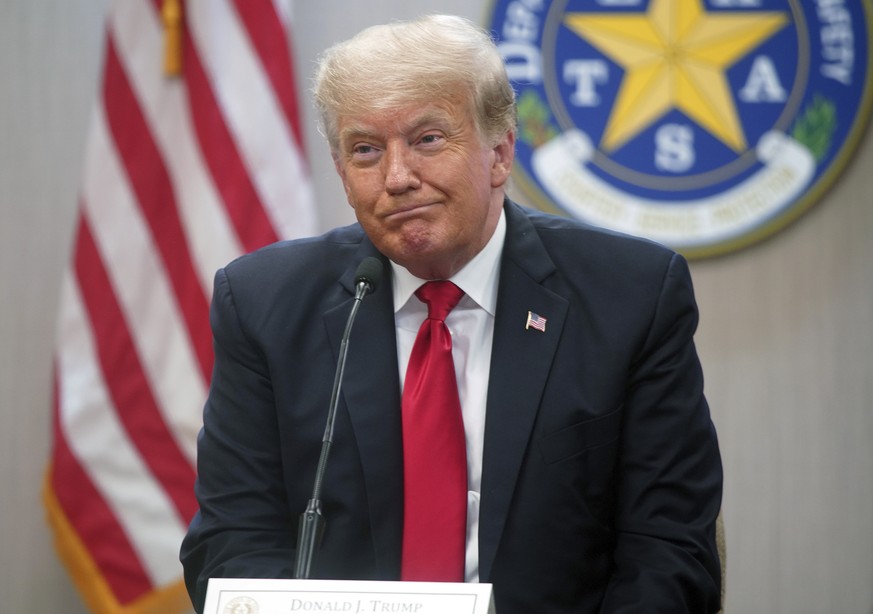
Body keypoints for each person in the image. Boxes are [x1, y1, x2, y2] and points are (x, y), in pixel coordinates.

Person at [180, 14, 723, 613]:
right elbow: (233, 538)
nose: (397, 178)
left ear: (500, 152)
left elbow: (668, 553)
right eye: (365, 150)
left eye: (427, 139)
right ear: (341, 171)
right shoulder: (264, 302)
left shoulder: (630, 297)